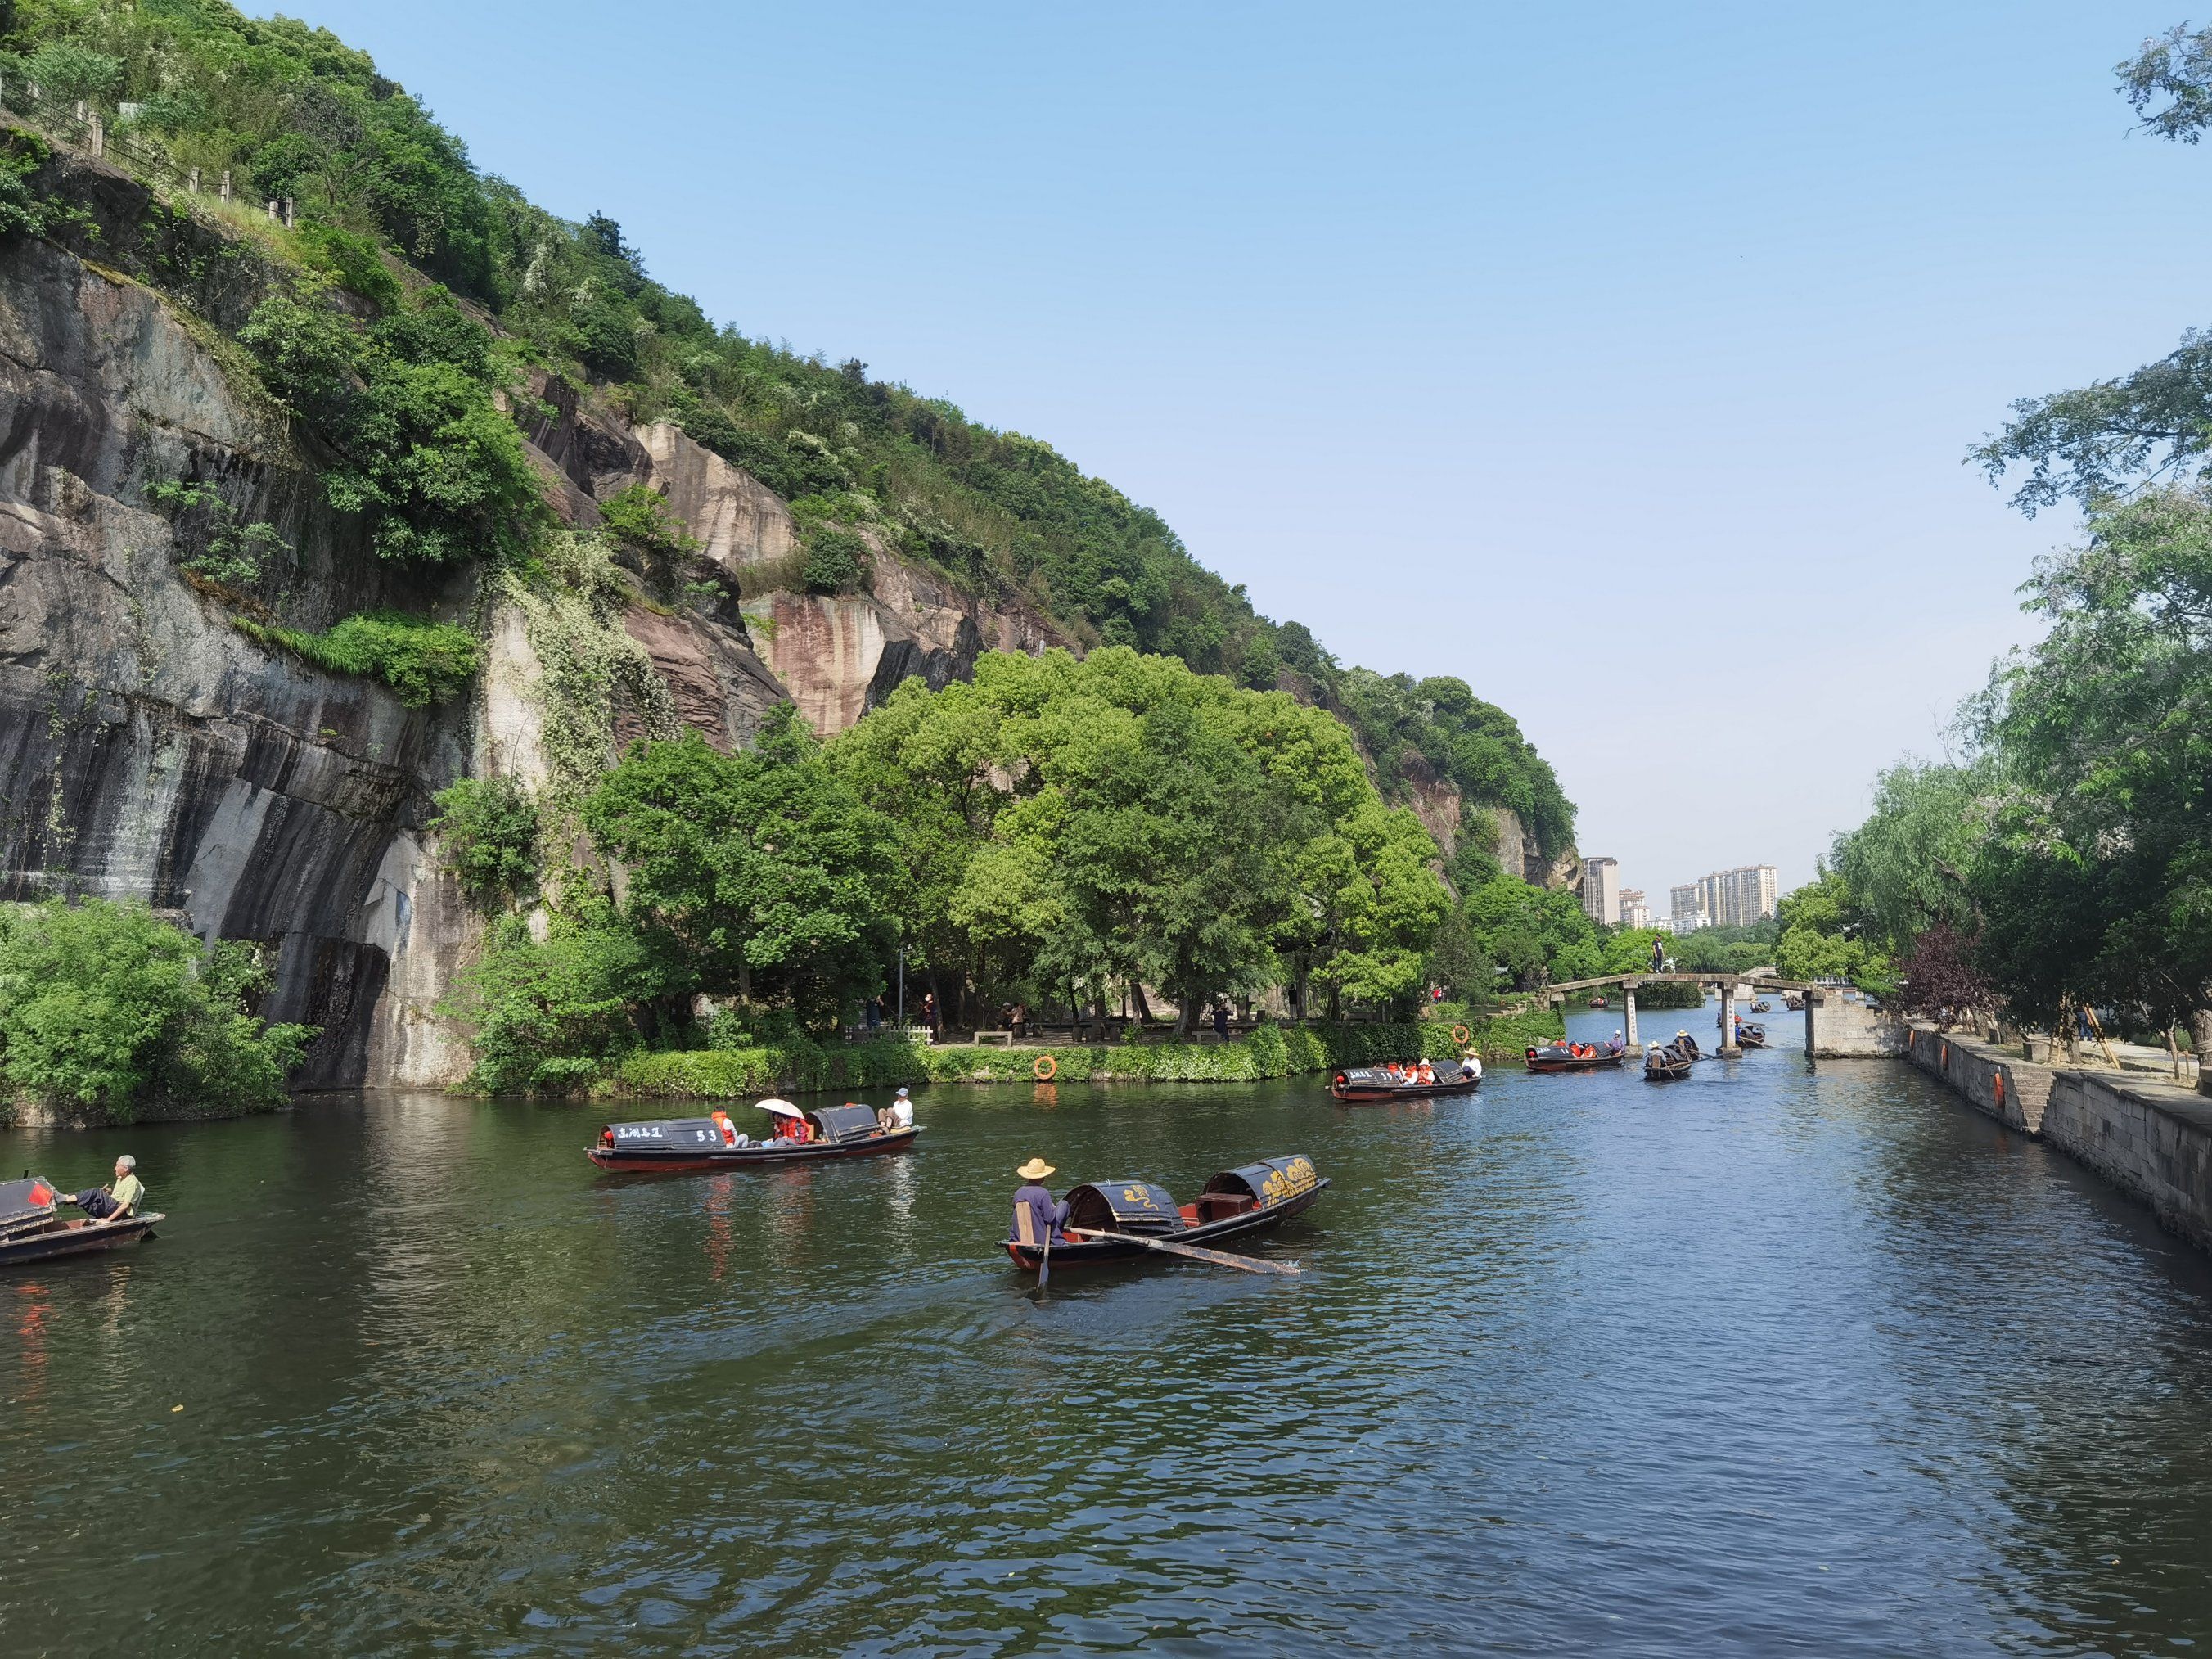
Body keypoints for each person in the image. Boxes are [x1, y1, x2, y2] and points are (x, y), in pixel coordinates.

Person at [1011, 1157, 1068, 1244]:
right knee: (1064, 1205)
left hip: (1019, 1237)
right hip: (1041, 1238)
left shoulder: (1018, 1193)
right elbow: (1049, 1219)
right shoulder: (1043, 1193)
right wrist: (1053, 1209)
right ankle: (1056, 1239)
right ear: (1043, 1177)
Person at [71, 1156, 143, 1223]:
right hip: (114, 1208)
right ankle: (66, 1199)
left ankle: (67, 1198)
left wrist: (108, 1220)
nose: (115, 1168)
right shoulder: (120, 1179)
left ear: (126, 1169)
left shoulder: (133, 1183)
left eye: (117, 1166)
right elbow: (119, 1197)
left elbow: (125, 1205)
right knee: (89, 1202)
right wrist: (109, 1194)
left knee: (97, 1192)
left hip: (123, 1214)